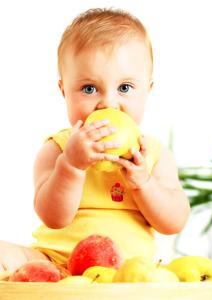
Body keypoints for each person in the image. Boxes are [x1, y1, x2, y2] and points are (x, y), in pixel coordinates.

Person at [0, 8, 190, 272]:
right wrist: (71, 166)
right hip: (58, 264)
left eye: (125, 87)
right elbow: (53, 218)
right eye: (89, 88)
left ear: (148, 90)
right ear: (64, 90)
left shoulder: (155, 156)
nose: (108, 103)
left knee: (163, 277)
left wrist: (144, 183)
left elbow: (174, 221)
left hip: (128, 272)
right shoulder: (57, 149)